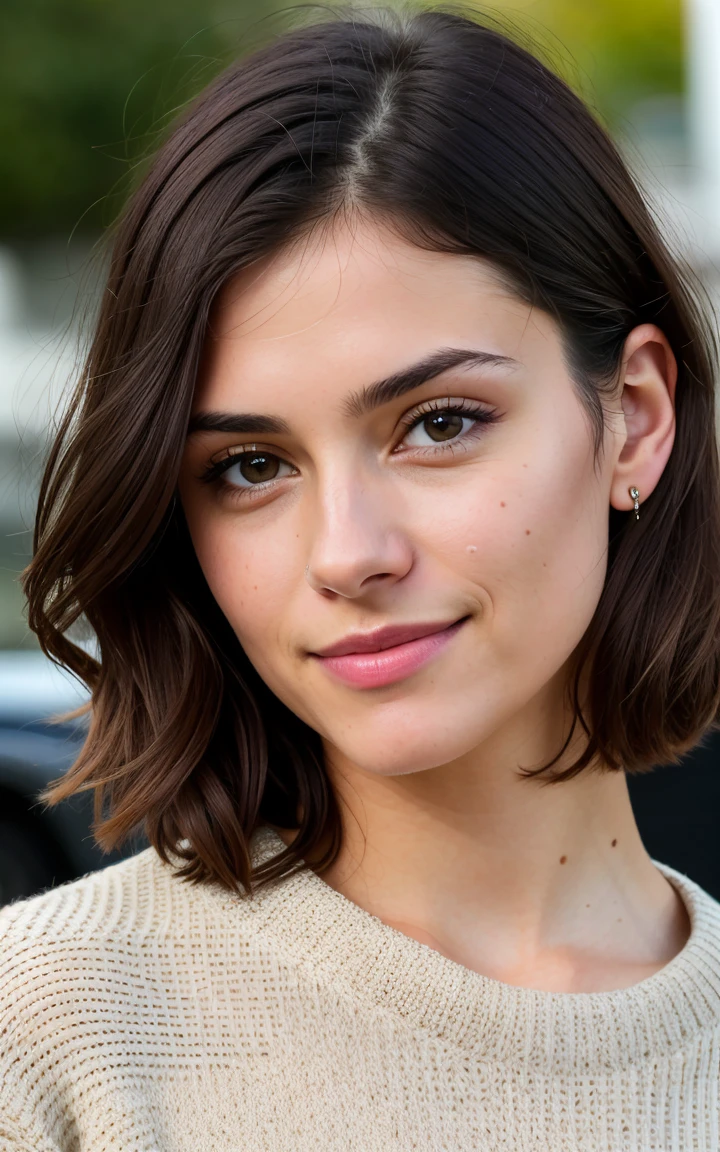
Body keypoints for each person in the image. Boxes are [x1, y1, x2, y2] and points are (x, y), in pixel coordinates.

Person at [2, 5, 720, 1149]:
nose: (347, 552)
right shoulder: (55, 1037)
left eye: (438, 424)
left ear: (633, 420)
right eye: (248, 466)